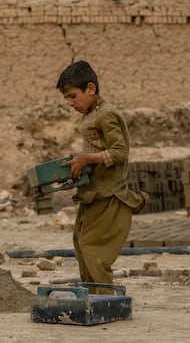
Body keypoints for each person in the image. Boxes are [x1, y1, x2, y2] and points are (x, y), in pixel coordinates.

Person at [56, 60, 148, 292]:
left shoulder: (106, 115)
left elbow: (120, 152)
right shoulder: (90, 113)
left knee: (93, 248)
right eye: (66, 98)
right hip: (92, 194)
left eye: (72, 96)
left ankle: (104, 299)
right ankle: (91, 295)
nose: (70, 103)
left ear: (90, 89)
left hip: (109, 194)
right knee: (80, 242)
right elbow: (96, 149)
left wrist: (86, 159)